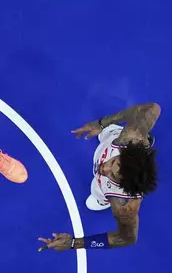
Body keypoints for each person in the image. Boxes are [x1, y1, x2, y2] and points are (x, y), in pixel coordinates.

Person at [38, 102, 160, 251]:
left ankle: (102, 201)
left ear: (123, 186)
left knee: (93, 202)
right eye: (114, 161)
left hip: (104, 188)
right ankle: (114, 132)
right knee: (109, 131)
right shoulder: (130, 136)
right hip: (113, 140)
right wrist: (101, 123)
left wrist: (73, 243)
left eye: (113, 175)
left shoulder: (122, 205)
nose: (104, 168)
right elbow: (153, 108)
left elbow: (127, 238)